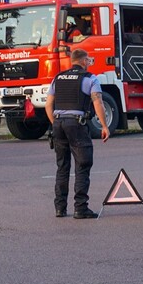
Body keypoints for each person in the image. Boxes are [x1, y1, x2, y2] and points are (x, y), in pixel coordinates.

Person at [44, 48, 110, 219]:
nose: (89, 63)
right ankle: (80, 208)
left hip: (58, 124)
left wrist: (56, 123)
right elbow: (98, 102)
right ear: (83, 61)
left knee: (62, 167)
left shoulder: (58, 78)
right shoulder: (90, 78)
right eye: (88, 60)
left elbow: (48, 105)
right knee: (82, 165)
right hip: (77, 124)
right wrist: (104, 126)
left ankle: (60, 208)